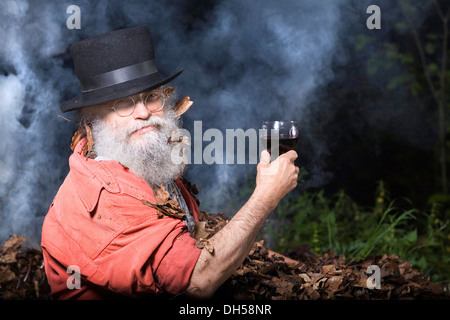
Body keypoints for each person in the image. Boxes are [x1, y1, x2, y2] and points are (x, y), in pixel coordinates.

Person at [41, 26, 299, 299]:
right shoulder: (109, 197)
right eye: (123, 104)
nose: (143, 113)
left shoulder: (139, 161)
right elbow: (199, 280)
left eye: (151, 97)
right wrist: (265, 197)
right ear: (93, 118)